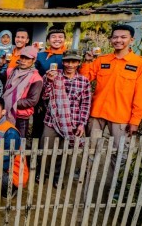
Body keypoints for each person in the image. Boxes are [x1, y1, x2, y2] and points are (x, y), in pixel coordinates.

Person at [80, 24, 142, 166]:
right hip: (97, 113)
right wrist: (87, 61)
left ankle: (114, 183)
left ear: (132, 40)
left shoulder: (141, 63)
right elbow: (84, 80)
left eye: (123, 37)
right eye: (115, 37)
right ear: (111, 39)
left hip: (121, 116)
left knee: (120, 153)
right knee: (91, 150)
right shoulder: (102, 60)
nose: (118, 40)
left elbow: (141, 94)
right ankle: (87, 177)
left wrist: (135, 120)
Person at [38, 50, 91, 188]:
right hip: (52, 119)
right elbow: (44, 96)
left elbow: (85, 104)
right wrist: (49, 81)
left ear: (78, 63)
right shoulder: (53, 75)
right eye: (67, 61)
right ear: (63, 62)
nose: (70, 65)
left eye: (73, 61)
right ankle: (42, 172)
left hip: (71, 122)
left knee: (65, 152)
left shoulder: (83, 81)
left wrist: (81, 124)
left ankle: (57, 176)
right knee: (45, 148)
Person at [32, 25, 67, 139]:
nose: (57, 39)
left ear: (64, 39)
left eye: (60, 37)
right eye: (53, 37)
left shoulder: (68, 55)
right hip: (43, 96)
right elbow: (34, 73)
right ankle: (35, 149)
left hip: (63, 96)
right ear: (48, 40)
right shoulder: (40, 55)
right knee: (39, 123)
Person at [1, 46, 43, 137]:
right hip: (6, 112)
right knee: (5, 139)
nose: (23, 60)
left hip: (21, 117)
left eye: (27, 58)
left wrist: (11, 102)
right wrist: (1, 63)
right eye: (22, 57)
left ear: (34, 60)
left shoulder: (36, 78)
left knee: (19, 142)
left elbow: (32, 100)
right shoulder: (11, 71)